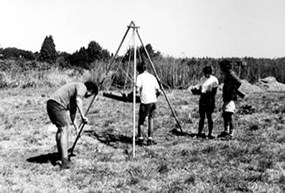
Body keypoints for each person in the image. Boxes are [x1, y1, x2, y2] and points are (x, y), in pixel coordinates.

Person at [46, 81, 98, 169]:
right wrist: (83, 116)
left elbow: (73, 113)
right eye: (91, 95)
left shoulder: (74, 93)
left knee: (61, 129)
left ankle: (61, 155)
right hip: (57, 105)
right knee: (64, 129)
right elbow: (78, 100)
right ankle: (65, 161)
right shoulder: (82, 87)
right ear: (91, 91)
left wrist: (77, 128)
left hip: (51, 103)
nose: (88, 97)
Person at [218, 59, 245, 139]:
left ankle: (231, 133)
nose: (221, 69)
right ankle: (226, 130)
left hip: (230, 97)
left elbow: (238, 82)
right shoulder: (227, 74)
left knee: (229, 114)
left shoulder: (230, 73)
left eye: (221, 67)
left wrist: (232, 89)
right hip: (226, 97)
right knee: (225, 114)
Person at [136, 62, 161, 146]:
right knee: (151, 119)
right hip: (153, 101)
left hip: (145, 102)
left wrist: (134, 93)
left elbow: (136, 90)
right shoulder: (152, 77)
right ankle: (150, 139)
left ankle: (140, 139)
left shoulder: (139, 77)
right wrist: (155, 97)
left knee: (141, 121)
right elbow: (159, 91)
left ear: (139, 70)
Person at [194, 66, 219, 139]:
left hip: (210, 100)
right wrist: (196, 90)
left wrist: (207, 94)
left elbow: (214, 92)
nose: (207, 75)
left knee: (209, 117)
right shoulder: (202, 79)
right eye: (206, 74)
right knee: (202, 117)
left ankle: (210, 133)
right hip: (202, 99)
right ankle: (199, 132)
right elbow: (201, 88)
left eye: (208, 74)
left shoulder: (214, 80)